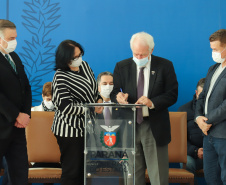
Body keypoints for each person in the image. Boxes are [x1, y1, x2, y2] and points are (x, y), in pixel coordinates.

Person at [111, 32, 178, 185]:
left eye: (142, 54)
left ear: (151, 50)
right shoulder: (122, 66)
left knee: (158, 176)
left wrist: (152, 102)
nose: (139, 58)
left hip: (154, 125)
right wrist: (118, 97)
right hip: (130, 125)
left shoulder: (165, 66)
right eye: (136, 54)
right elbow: (115, 91)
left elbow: (172, 94)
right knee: (132, 176)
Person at [51, 40, 103, 185]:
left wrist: (98, 100)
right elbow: (65, 107)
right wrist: (91, 108)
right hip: (69, 129)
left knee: (85, 171)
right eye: (75, 57)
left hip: (87, 128)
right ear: (64, 58)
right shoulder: (60, 76)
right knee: (72, 172)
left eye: (80, 54)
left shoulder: (85, 66)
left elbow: (93, 92)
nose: (79, 59)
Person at [0, 19, 32, 185]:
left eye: (15, 37)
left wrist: (26, 113)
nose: (14, 42)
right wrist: (15, 115)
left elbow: (25, 86)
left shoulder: (14, 56)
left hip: (18, 128)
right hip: (3, 123)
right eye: (10, 38)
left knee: (20, 173)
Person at [195, 29, 226, 184]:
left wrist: (207, 121)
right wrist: (198, 117)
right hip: (208, 135)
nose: (213, 53)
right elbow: (202, 96)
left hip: (223, 135)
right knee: (211, 178)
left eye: (216, 50)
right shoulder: (212, 69)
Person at [178, 78, 205, 179]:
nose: (203, 98)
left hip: (215, 154)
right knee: (187, 163)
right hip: (193, 154)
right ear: (196, 92)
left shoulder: (219, 110)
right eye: (201, 95)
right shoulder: (184, 110)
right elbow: (179, 140)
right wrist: (195, 151)